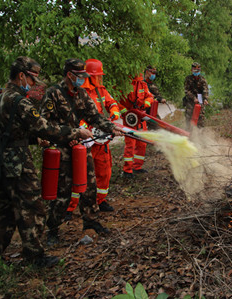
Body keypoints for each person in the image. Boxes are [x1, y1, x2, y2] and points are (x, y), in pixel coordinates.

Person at [0, 56, 93, 268]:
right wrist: (75, 132)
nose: (34, 84)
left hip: (2, 159)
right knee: (33, 208)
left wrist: (34, 139)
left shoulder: (1, 96)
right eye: (32, 79)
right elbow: (45, 126)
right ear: (21, 75)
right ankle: (34, 257)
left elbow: (8, 131)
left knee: (2, 211)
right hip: (18, 164)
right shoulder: (19, 101)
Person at [40, 58, 123, 246]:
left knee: (89, 185)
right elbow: (44, 125)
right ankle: (53, 229)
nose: (82, 80)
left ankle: (91, 221)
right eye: (79, 76)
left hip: (80, 148)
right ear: (70, 75)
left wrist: (111, 128)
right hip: (61, 149)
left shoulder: (82, 93)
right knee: (63, 192)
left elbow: (93, 116)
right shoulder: (53, 94)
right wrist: (72, 132)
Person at [65, 59, 120, 219]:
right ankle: (70, 207)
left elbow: (112, 103)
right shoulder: (78, 91)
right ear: (89, 76)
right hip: (85, 142)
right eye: (98, 76)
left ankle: (99, 201)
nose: (100, 79)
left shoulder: (101, 91)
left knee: (104, 172)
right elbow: (74, 115)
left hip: (101, 141)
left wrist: (114, 113)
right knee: (79, 174)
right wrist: (82, 129)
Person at [118, 73, 154, 178]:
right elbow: (116, 100)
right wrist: (125, 112)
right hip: (130, 119)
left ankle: (137, 167)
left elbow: (150, 96)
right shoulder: (123, 84)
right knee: (130, 144)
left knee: (142, 143)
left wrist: (146, 104)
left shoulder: (142, 84)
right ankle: (127, 170)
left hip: (141, 117)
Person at [183, 62, 209, 128]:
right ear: (191, 70)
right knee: (189, 118)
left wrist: (205, 99)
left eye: (198, 70)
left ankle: (200, 134)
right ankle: (189, 133)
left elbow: (205, 90)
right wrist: (193, 98)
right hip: (190, 101)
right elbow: (187, 91)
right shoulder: (188, 79)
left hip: (200, 100)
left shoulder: (203, 79)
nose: (196, 72)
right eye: (195, 70)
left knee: (200, 118)